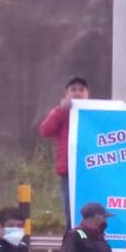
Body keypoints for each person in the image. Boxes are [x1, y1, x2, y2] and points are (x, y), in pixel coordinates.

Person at [38, 76, 89, 229]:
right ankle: (71, 245)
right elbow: (45, 131)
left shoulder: (96, 112)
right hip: (69, 171)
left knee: (94, 210)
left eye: (81, 90)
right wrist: (61, 111)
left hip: (93, 171)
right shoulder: (61, 112)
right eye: (73, 90)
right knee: (72, 211)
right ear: (66, 94)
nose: (77, 93)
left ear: (88, 93)